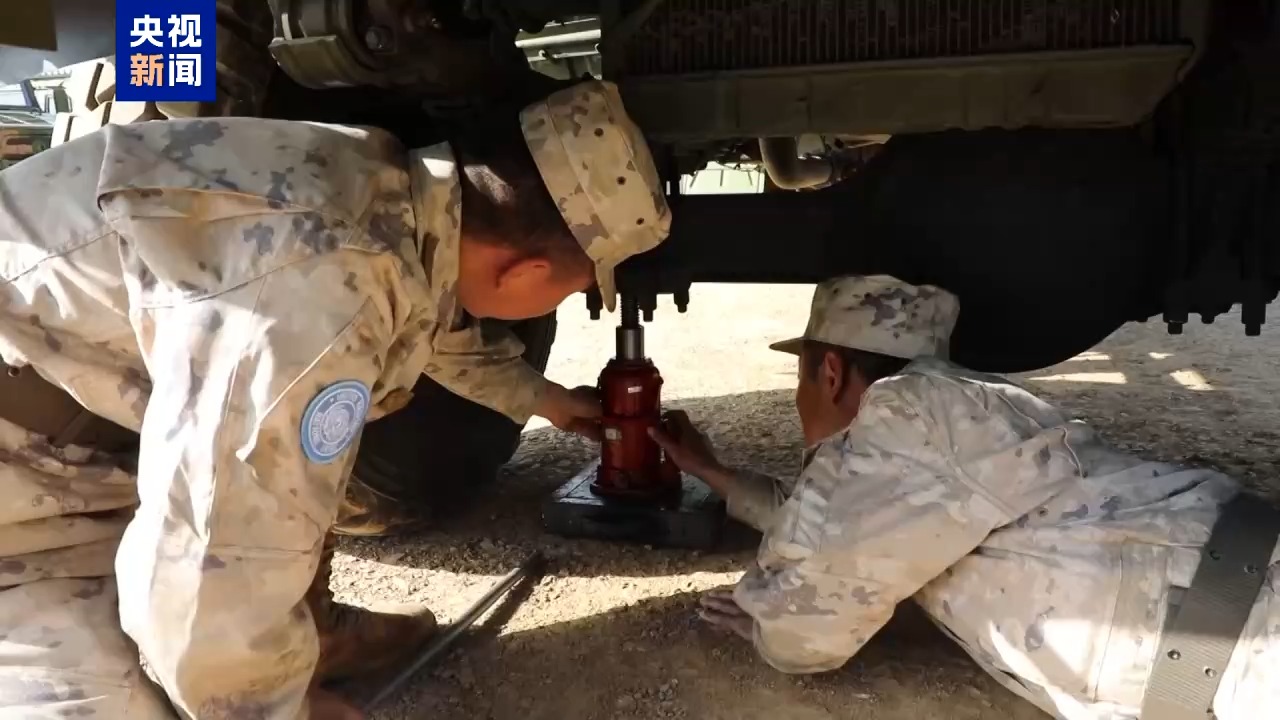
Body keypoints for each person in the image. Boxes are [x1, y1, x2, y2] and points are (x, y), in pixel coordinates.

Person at [0, 78, 670, 718]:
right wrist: (267, 707)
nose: (567, 300)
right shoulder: (318, 291)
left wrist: (547, 400)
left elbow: (431, 326)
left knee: (293, 470)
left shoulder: (387, 189)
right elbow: (215, 547)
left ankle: (309, 637)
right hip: (26, 486)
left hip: (66, 429)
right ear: (527, 270)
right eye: (575, 288)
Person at [651, 274, 1280, 720]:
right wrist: (714, 473)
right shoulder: (945, 422)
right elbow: (844, 524)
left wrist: (767, 622)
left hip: (1254, 641)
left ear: (832, 373)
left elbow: (809, 625)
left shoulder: (904, 413)